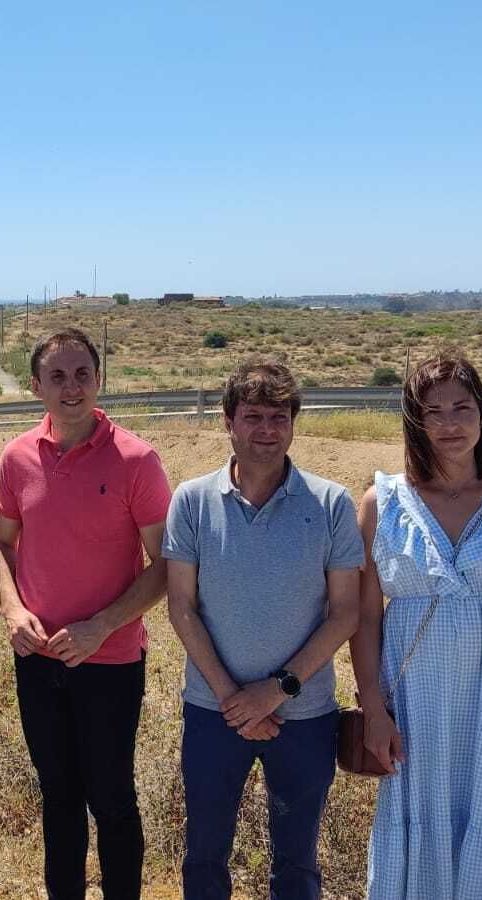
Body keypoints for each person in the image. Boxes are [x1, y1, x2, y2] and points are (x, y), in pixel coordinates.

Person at [351, 354, 482, 899]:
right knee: (418, 819)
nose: (450, 423)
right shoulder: (383, 504)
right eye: (434, 411)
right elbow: (364, 618)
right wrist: (373, 711)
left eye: (462, 408)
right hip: (415, 709)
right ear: (414, 421)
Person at [163, 361, 362, 900]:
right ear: (228, 422)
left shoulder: (331, 504)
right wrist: (233, 698)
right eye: (253, 416)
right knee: (204, 855)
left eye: (279, 416)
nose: (267, 430)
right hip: (212, 711)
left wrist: (274, 691)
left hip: (304, 716)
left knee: (297, 862)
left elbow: (345, 612)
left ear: (294, 423)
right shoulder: (192, 500)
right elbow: (180, 606)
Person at [0, 328, 170, 900]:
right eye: (58, 376)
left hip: (110, 660)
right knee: (58, 796)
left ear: (99, 380)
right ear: (37, 385)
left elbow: (165, 565)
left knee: (112, 798)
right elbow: (0, 543)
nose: (72, 387)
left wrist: (102, 626)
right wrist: (12, 609)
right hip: (37, 658)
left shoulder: (137, 461)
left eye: (82, 374)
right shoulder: (18, 458)